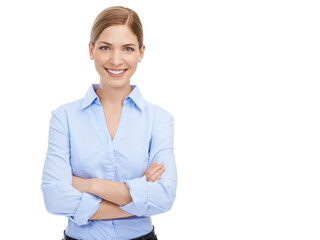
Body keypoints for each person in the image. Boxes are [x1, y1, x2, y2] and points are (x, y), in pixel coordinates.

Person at [41, 6, 177, 240]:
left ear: (141, 52)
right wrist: (138, 197)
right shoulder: (64, 117)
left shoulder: (159, 119)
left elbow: (164, 196)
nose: (116, 60)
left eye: (127, 48)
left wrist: (88, 185)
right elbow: (54, 197)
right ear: (91, 50)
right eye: (105, 47)